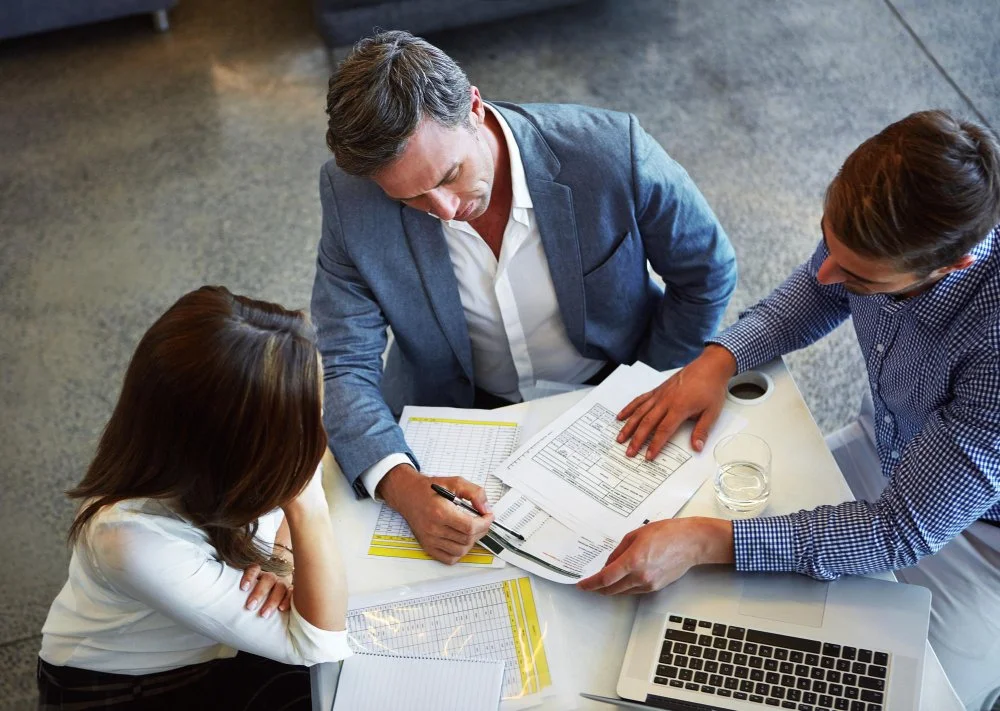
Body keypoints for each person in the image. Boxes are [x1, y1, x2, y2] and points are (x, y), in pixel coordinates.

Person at [579, 110, 1000, 709]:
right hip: (889, 444)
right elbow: (814, 289)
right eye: (827, 240)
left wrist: (704, 542)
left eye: (857, 278)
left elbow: (900, 528)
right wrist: (719, 359)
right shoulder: (885, 228)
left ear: (949, 267)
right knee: (731, 602)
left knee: (908, 689)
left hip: (981, 534)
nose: (828, 271)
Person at [311, 30, 737, 564]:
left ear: (473, 107)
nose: (443, 209)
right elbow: (345, 365)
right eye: (411, 198)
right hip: (456, 417)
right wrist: (398, 482)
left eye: (450, 175)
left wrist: (656, 381)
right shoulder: (350, 199)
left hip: (614, 395)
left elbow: (706, 271)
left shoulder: (609, 151)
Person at [37, 286, 351, 711]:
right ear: (233, 447)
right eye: (304, 424)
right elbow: (318, 643)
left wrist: (282, 564)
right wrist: (307, 503)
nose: (319, 437)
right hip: (132, 689)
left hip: (204, 648)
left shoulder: (191, 454)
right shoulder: (130, 538)